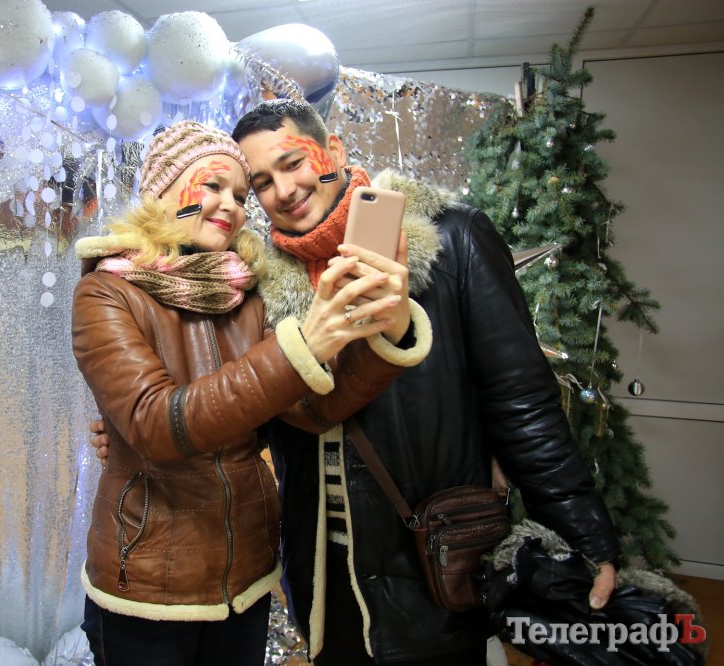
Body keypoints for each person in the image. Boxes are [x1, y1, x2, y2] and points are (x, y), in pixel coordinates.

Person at [91, 100, 621, 665]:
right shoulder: (258, 282)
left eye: (293, 163)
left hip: (433, 554)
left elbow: (523, 403)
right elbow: (259, 407)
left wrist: (582, 534)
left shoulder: (452, 241)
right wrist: (134, 428)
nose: (283, 191)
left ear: (334, 152)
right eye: (261, 184)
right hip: (321, 566)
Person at [71, 120, 432, 666]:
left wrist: (389, 332)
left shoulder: (246, 295)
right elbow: (156, 423)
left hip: (247, 579)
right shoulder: (106, 292)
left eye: (241, 196)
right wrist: (299, 348)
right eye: (213, 185)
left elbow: (313, 409)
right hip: (146, 585)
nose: (232, 206)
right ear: (160, 191)